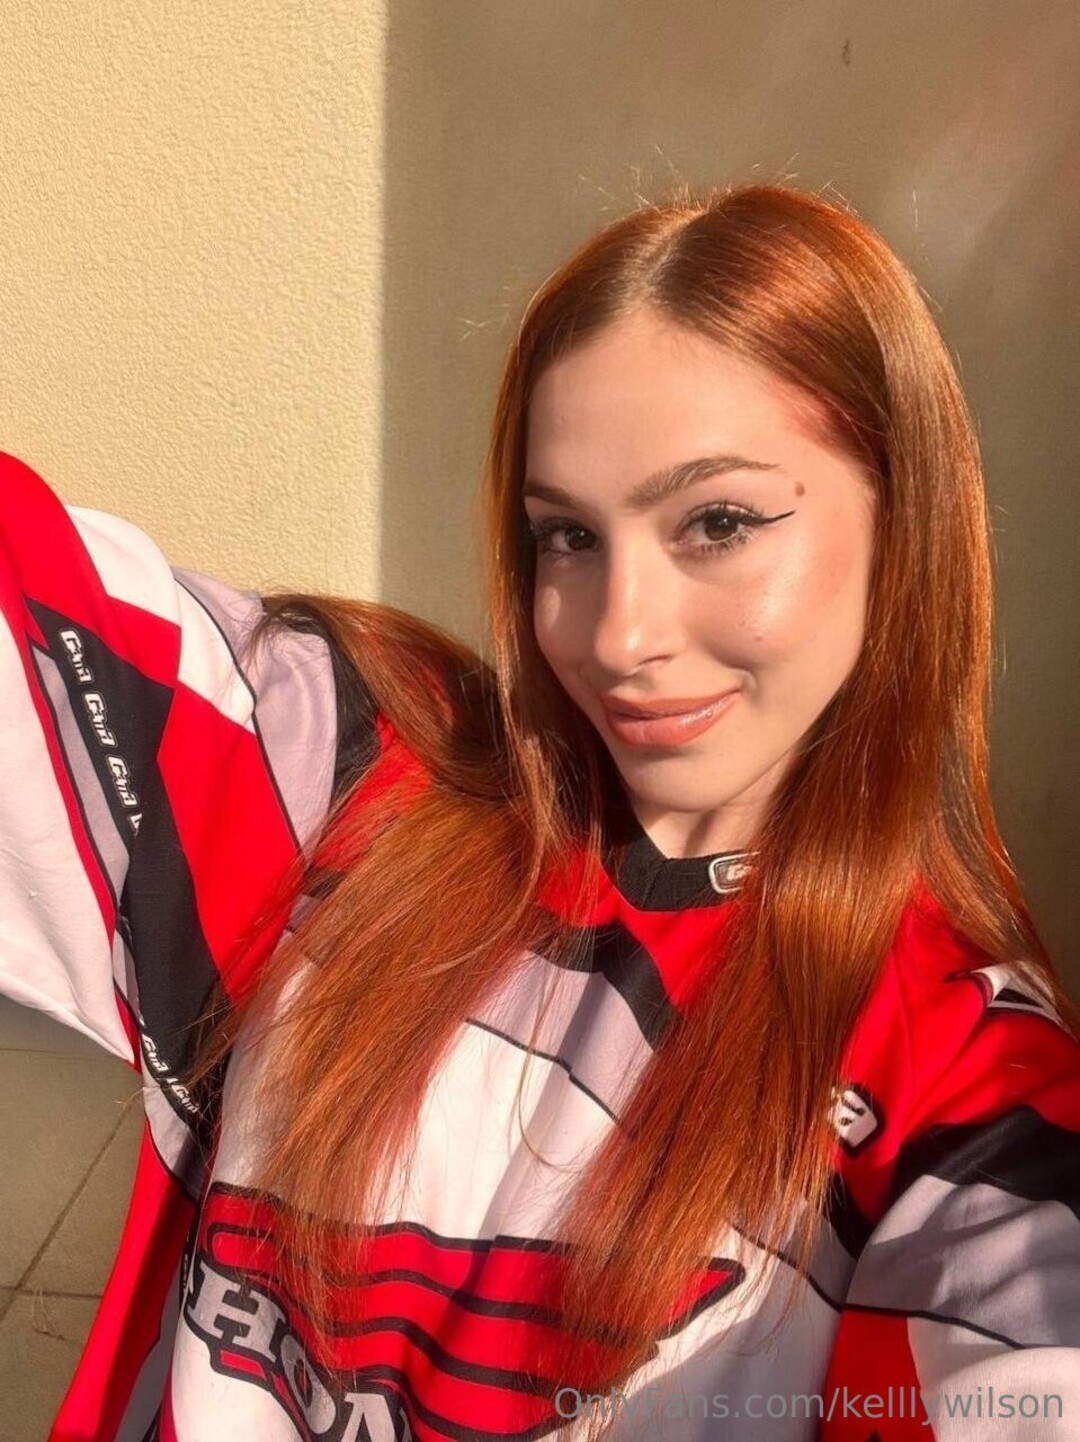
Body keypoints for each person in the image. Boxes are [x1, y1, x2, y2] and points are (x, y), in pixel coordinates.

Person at [1, 183, 1078, 1442]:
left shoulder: (962, 1081)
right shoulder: (341, 775)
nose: (619, 636)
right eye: (566, 535)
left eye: (718, 522)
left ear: (906, 522)